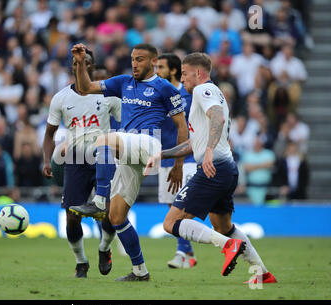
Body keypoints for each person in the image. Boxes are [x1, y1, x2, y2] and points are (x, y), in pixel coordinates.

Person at [145, 52, 277, 284]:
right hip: (226, 170)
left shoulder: (202, 90)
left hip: (211, 169)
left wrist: (207, 152)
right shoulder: (212, 93)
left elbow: (217, 118)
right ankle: (262, 273)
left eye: (184, 74)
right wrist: (162, 154)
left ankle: (228, 246)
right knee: (224, 226)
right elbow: (192, 143)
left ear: (198, 73)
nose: (182, 79)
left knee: (170, 223)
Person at [69, 43, 187, 281]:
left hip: (148, 143)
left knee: (103, 140)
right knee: (117, 217)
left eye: (140, 59)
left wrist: (178, 165)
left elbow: (182, 127)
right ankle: (140, 272)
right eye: (133, 59)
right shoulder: (123, 82)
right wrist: (81, 63)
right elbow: (85, 87)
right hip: (127, 150)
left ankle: (99, 200)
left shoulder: (165, 88)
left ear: (153, 62)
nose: (134, 63)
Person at [42, 49, 122, 278]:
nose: (84, 66)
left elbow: (126, 122)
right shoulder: (61, 98)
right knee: (71, 215)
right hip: (75, 159)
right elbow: (49, 134)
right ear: (73, 67)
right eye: (79, 62)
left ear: (93, 67)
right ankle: (81, 261)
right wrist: (47, 160)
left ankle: (104, 249)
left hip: (103, 157)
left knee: (110, 213)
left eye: (88, 62)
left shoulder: (108, 94)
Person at [155, 53, 197, 269]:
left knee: (182, 206)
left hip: (188, 158)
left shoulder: (188, 94)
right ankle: (188, 252)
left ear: (173, 70)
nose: (156, 71)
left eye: (160, 67)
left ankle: (181, 253)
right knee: (172, 206)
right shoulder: (156, 96)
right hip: (165, 159)